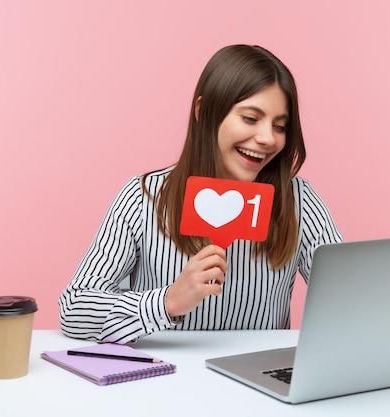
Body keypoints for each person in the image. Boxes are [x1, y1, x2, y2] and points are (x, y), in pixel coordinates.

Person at [59, 45, 342, 344]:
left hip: (259, 384)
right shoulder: (144, 197)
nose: (267, 138)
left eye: (280, 126)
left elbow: (350, 297)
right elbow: (74, 308)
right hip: (162, 380)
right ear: (202, 111)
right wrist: (168, 302)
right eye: (250, 118)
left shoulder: (299, 201)